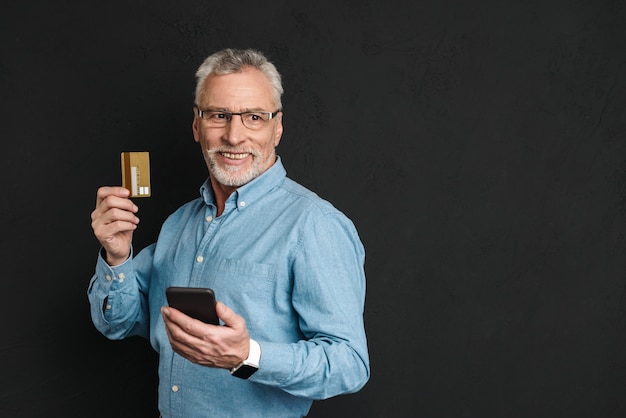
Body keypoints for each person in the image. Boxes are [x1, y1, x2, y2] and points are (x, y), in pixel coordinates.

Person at [88, 48, 370, 418]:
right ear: (196, 125)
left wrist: (247, 356)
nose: (234, 136)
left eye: (254, 117)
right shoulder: (178, 224)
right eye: (219, 115)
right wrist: (117, 256)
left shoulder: (315, 225)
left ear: (277, 127)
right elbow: (120, 324)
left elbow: (349, 365)